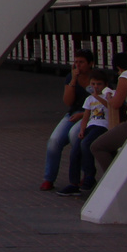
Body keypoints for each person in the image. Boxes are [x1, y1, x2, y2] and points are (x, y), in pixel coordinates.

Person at [42, 50, 93, 191]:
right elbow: (68, 101)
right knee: (54, 141)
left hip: (91, 114)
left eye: (81, 62)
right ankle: (49, 178)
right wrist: (73, 81)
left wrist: (83, 115)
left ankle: (84, 175)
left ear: (90, 64)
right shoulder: (71, 77)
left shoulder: (96, 78)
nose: (78, 65)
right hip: (73, 113)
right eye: (75, 62)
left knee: (75, 135)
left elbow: (101, 103)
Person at [64, 69, 112, 195]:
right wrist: (82, 129)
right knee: (75, 149)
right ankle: (73, 182)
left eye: (99, 84)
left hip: (102, 126)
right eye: (93, 84)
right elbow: (86, 115)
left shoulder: (109, 94)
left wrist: (97, 96)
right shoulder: (89, 99)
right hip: (91, 125)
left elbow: (110, 106)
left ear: (105, 85)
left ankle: (89, 176)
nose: (96, 87)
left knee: (86, 145)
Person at [92, 53, 127, 176]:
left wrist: (108, 96)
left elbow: (116, 104)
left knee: (98, 147)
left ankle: (113, 178)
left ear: (118, 68)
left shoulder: (125, 76)